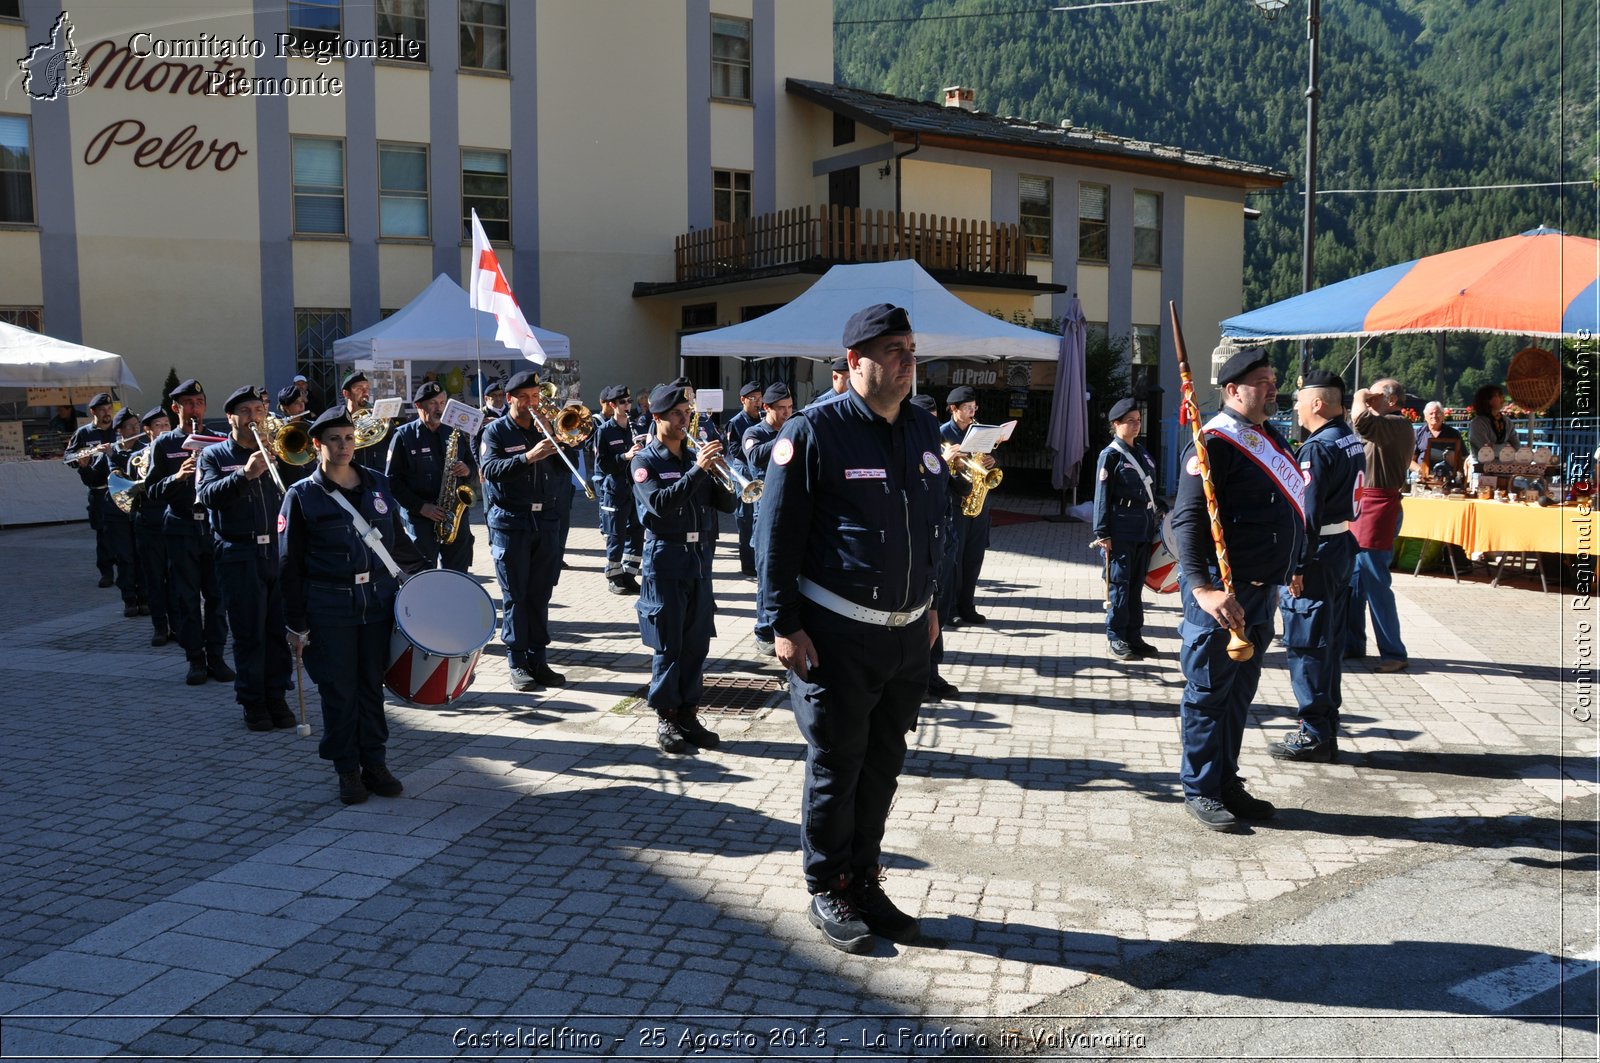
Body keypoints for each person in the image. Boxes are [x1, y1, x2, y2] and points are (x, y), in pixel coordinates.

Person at [755, 303, 950, 952]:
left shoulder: (922, 428)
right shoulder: (814, 432)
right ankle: (827, 885)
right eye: (892, 348)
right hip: (835, 634)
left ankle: (864, 877)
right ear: (854, 362)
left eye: (910, 347)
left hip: (904, 635)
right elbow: (776, 537)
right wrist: (781, 624)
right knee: (839, 765)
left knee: (883, 764)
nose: (906, 357)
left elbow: (931, 526)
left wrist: (931, 606)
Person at [1170, 347, 1302, 832]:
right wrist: (1202, 588)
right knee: (1208, 693)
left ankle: (1225, 780)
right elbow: (1187, 521)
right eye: (1262, 381)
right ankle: (1200, 788)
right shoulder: (1213, 443)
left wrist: (1294, 564)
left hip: (1262, 594)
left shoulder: (1272, 438)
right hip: (1222, 597)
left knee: (1239, 696)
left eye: (1273, 379)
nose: (1272, 387)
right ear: (1232, 390)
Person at [280, 407, 421, 805]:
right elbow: (289, 564)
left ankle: (375, 762)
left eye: (349, 438)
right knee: (339, 691)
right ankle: (347, 768)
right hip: (329, 606)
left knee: (371, 688)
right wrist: (295, 623)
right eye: (335, 440)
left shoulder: (377, 483)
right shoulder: (302, 495)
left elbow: (397, 542)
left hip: (377, 602)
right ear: (316, 446)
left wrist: (426, 578)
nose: (344, 446)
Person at [632, 383, 739, 754]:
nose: (685, 420)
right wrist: (698, 471)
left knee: (696, 642)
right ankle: (666, 716)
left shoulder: (696, 458)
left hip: (700, 558)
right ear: (658, 417)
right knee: (669, 643)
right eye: (677, 414)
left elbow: (726, 505)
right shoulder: (645, 461)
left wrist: (722, 472)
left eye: (687, 413)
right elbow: (659, 505)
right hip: (665, 559)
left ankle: (689, 714)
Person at [1269, 371, 1365, 763]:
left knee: (1308, 643)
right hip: (1340, 546)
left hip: (1319, 552)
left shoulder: (1318, 448)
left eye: (1299, 399)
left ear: (1318, 403)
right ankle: (1326, 727)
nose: (1294, 406)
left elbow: (1306, 514)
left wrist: (1296, 565)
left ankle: (1314, 733)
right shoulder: (1348, 438)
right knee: (1330, 643)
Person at [197, 386, 296, 732]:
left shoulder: (278, 450)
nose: (255, 417)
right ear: (231, 418)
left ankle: (278, 694)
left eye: (259, 409)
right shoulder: (213, 455)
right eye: (247, 411)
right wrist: (244, 474)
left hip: (276, 552)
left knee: (278, 631)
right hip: (238, 553)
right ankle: (252, 701)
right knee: (248, 632)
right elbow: (207, 497)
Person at [142, 379, 234, 688]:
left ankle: (217, 656)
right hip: (180, 526)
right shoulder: (165, 443)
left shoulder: (220, 440)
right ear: (175, 408)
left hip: (212, 526)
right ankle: (195, 658)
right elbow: (152, 490)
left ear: (205, 406)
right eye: (187, 404)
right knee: (186, 598)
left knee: (217, 596)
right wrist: (178, 477)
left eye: (198, 403)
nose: (194, 409)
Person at [479, 370, 567, 691]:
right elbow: (490, 470)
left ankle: (539, 658)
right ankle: (517, 661)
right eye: (525, 398)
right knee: (515, 594)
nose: (532, 404)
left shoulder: (547, 429)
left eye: (536, 398)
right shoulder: (496, 432)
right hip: (511, 522)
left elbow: (565, 467)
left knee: (540, 593)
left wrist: (564, 442)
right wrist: (528, 458)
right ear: (511, 399)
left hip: (545, 522)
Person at [1348, 378, 1413, 673]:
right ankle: (1352, 643)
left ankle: (1393, 652)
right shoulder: (1385, 424)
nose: (1369, 399)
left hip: (1380, 507)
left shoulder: (1397, 424)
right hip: (1365, 506)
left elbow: (1360, 421)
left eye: (1375, 395)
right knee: (1355, 581)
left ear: (1389, 400)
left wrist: (1361, 395)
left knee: (1375, 582)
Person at [1090, 398, 1162, 660]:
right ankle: (1116, 637)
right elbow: (1102, 495)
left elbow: (1151, 489)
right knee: (1119, 586)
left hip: (1143, 527)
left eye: (1138, 420)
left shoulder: (1142, 453)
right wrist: (1102, 533)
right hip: (1120, 530)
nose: (1136, 425)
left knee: (1135, 586)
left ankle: (1134, 635)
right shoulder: (1110, 456)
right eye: (1130, 421)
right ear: (1116, 424)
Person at [386, 380, 478, 573]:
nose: (440, 408)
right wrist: (421, 507)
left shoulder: (454, 432)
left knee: (458, 573)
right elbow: (392, 481)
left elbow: (472, 462)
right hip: (421, 518)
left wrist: (467, 469)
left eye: (443, 402)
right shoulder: (403, 436)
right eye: (433, 404)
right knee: (424, 573)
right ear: (418, 406)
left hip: (454, 515)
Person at [739, 382, 794, 654]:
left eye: (790, 408)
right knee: (766, 573)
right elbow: (757, 456)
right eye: (781, 409)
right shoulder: (754, 432)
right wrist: (786, 436)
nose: (787, 413)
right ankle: (764, 630)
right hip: (765, 513)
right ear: (766, 408)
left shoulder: (792, 429)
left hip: (792, 508)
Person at [916, 392, 961, 701]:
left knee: (937, 614)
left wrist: (970, 463)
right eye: (928, 422)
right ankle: (922, 677)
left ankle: (931, 672)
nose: (934, 428)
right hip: (921, 547)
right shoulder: (909, 452)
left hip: (943, 539)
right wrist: (943, 464)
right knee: (922, 614)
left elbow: (963, 487)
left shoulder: (933, 447)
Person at [940, 385, 997, 625]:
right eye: (967, 408)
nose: (973, 412)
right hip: (955, 503)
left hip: (978, 502)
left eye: (974, 407)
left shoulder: (979, 430)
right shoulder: (941, 434)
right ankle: (951, 607)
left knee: (974, 558)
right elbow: (936, 470)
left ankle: (967, 605)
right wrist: (954, 463)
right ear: (954, 409)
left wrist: (992, 461)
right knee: (956, 558)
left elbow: (986, 464)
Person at [92, 407, 146, 617]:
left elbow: (130, 471)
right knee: (124, 557)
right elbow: (96, 479)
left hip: (139, 510)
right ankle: (129, 599)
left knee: (141, 555)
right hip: (116, 512)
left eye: (136, 425)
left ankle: (145, 597)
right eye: (130, 427)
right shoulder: (110, 451)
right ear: (120, 430)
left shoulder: (144, 449)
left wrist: (113, 456)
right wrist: (86, 465)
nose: (135, 429)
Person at [593, 385, 644, 594]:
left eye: (629, 401)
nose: (627, 405)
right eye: (622, 402)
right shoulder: (604, 431)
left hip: (636, 488)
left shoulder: (638, 427)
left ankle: (630, 574)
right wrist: (625, 456)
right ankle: (614, 577)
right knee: (616, 534)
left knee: (637, 532)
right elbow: (603, 464)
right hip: (616, 489)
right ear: (613, 405)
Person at [134, 407, 176, 647]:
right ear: (148, 430)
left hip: (171, 521)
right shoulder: (136, 458)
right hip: (149, 522)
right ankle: (160, 626)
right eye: (158, 426)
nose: (164, 430)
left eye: (166, 425)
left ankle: (178, 625)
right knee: (154, 578)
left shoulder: (176, 453)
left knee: (176, 578)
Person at [68, 392, 118, 587]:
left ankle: (126, 570)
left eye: (109, 409)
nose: (107, 413)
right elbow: (69, 457)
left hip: (120, 488)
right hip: (98, 490)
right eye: (102, 410)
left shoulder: (119, 429)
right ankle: (106, 572)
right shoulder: (83, 433)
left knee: (123, 532)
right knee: (103, 533)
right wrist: (81, 460)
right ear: (93, 412)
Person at [725, 381, 765, 577]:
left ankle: (758, 560)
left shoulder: (763, 419)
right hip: (745, 475)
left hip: (759, 475)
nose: (758, 402)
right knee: (745, 520)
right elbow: (734, 451)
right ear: (743, 400)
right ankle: (747, 565)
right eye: (753, 399)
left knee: (759, 520)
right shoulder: (736, 422)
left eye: (760, 398)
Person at [340, 370, 388, 474]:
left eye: (367, 389)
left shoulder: (376, 418)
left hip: (375, 474)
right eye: (359, 389)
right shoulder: (338, 419)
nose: (365, 393)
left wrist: (388, 422)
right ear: (346, 393)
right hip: (349, 473)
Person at [1413, 401, 1465, 483]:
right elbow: (1410, 460)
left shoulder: (1454, 434)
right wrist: (1420, 470)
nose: (1434, 416)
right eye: (1431, 414)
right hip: (1422, 477)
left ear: (1443, 415)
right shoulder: (1418, 434)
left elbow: (1463, 457)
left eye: (1438, 413)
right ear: (1425, 417)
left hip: (1449, 478)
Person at [1468, 383, 1521, 456]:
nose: (1502, 398)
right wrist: (1507, 446)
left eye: (1501, 395)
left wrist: (1498, 447)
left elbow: (1517, 446)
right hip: (1481, 465)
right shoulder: (1478, 423)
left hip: (1506, 463)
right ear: (1487, 400)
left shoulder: (1506, 421)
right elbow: (1486, 450)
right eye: (1498, 395)